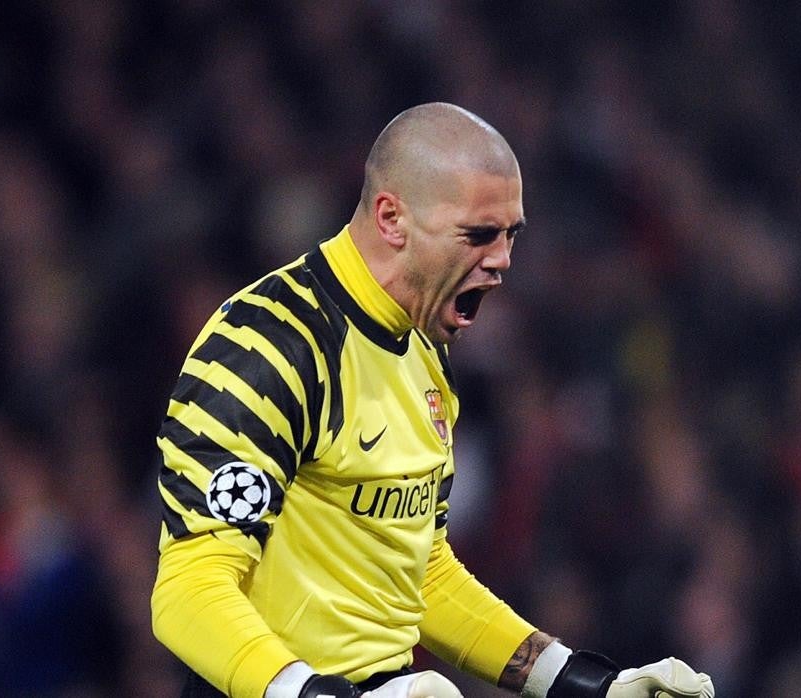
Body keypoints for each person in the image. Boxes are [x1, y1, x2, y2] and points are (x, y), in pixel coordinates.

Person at [150, 103, 715, 698]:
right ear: (393, 218)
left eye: (511, 235)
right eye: (479, 235)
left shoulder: (423, 345)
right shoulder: (269, 346)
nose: (502, 260)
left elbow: (419, 572)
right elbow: (190, 589)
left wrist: (581, 683)